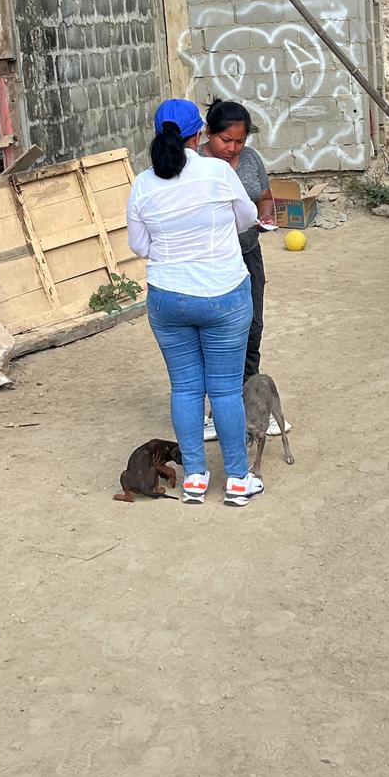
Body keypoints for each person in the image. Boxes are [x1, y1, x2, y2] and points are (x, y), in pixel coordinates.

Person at [126, 99, 264, 508]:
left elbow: (139, 245)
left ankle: (195, 480)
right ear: (199, 135)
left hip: (168, 298)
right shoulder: (218, 172)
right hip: (223, 293)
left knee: (185, 388)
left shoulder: (142, 184)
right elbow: (247, 218)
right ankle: (237, 480)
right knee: (225, 391)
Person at [201, 98, 291, 441]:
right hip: (211, 262)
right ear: (208, 133)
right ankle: (216, 412)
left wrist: (265, 213)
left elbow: (263, 196)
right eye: (226, 140)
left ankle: (252, 407)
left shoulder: (250, 160)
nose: (233, 148)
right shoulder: (196, 164)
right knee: (218, 335)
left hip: (248, 255)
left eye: (239, 141)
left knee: (252, 328)